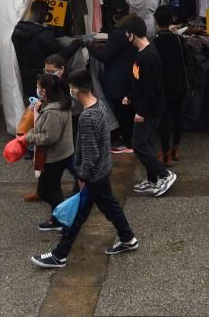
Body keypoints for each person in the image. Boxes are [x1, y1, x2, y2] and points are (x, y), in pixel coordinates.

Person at [30, 69, 138, 268]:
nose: (69, 91)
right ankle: (128, 238)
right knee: (110, 206)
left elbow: (90, 153)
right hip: (103, 170)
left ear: (76, 89)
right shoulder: (100, 105)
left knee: (77, 216)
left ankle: (59, 255)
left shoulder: (87, 117)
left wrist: (82, 176)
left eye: (71, 87)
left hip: (93, 176)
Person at [123, 16, 178, 197]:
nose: (125, 36)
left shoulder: (148, 55)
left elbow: (152, 88)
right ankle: (153, 179)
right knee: (144, 143)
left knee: (138, 144)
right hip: (146, 107)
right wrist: (131, 97)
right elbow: (140, 82)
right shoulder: (143, 53)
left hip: (150, 110)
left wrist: (141, 111)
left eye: (126, 33)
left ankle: (164, 175)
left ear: (132, 34)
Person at [25, 74, 74, 232]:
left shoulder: (53, 112)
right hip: (63, 153)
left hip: (53, 157)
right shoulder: (61, 104)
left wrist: (29, 137)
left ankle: (61, 219)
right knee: (54, 187)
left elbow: (49, 137)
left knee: (45, 191)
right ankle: (57, 218)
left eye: (39, 87)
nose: (38, 90)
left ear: (45, 91)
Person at [12, 0, 83, 106]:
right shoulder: (44, 35)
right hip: (44, 81)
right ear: (43, 14)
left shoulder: (16, 31)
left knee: (32, 110)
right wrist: (77, 42)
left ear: (31, 11)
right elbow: (64, 54)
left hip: (25, 80)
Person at [88, 17, 137, 154]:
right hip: (130, 76)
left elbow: (106, 56)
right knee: (129, 109)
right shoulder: (132, 32)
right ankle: (131, 138)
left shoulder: (117, 34)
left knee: (123, 111)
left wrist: (91, 47)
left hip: (119, 79)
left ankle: (128, 141)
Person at [153, 5, 189, 167]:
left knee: (163, 121)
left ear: (156, 21)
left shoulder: (153, 43)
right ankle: (176, 149)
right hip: (179, 85)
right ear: (171, 21)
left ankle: (166, 155)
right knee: (178, 118)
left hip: (162, 88)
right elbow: (188, 62)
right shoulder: (179, 40)